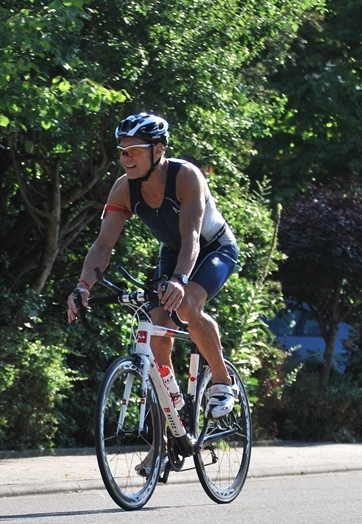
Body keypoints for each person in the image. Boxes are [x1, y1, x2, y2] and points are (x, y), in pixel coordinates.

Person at [68, 112, 240, 419]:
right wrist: (83, 286)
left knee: (186, 305)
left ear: (158, 149)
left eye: (134, 150)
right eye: (122, 152)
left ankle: (222, 381)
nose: (126, 158)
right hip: (173, 252)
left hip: (214, 247)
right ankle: (172, 417)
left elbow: (192, 237)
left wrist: (179, 279)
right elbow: (103, 244)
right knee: (158, 324)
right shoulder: (124, 188)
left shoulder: (186, 177)